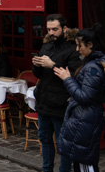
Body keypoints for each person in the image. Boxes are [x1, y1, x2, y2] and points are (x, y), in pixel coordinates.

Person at [54, 24, 105, 172]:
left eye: (79, 46)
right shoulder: (91, 64)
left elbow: (85, 97)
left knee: (85, 163)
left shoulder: (93, 69)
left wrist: (67, 79)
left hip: (85, 120)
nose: (77, 49)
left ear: (90, 45)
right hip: (83, 119)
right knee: (80, 162)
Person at [32, 14, 82, 172]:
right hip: (44, 101)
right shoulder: (46, 45)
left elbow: (73, 76)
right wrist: (37, 65)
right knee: (44, 139)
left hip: (61, 104)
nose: (51, 33)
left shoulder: (74, 49)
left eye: (55, 29)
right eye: (49, 29)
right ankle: (47, 169)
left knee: (63, 143)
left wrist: (52, 64)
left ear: (65, 29)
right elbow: (39, 75)